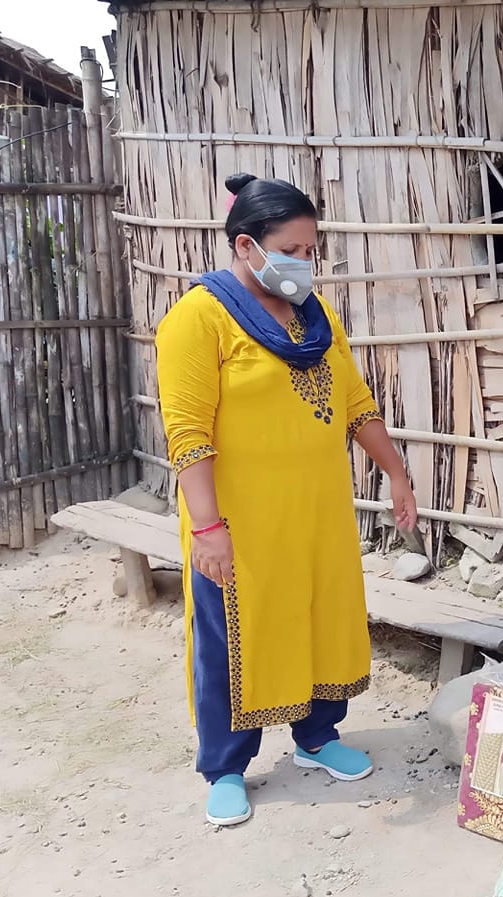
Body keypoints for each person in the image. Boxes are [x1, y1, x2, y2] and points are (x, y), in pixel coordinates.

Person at [156, 173, 418, 827]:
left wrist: (397, 473)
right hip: (240, 521)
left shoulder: (314, 315)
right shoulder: (198, 318)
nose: (304, 263)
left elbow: (356, 403)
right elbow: (186, 434)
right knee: (232, 639)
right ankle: (226, 766)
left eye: (311, 250)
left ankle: (316, 737)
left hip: (318, 513)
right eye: (292, 250)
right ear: (247, 246)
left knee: (320, 617)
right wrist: (208, 526)